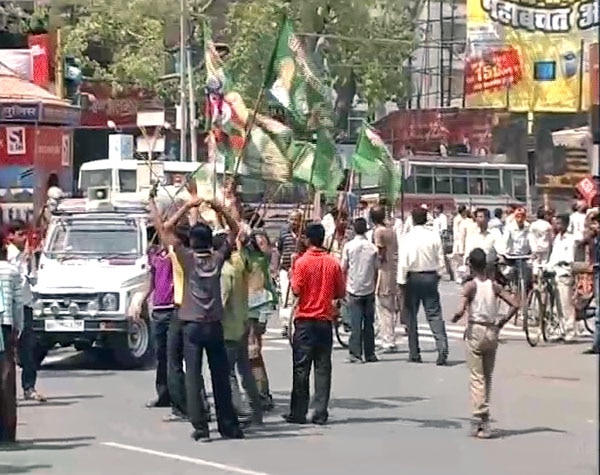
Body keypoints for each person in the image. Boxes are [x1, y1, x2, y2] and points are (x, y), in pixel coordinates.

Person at [153, 186, 243, 442]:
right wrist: (217, 207)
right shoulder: (217, 259)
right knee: (220, 376)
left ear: (192, 241)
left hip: (190, 324)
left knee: (193, 376)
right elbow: (235, 230)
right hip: (214, 324)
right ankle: (228, 426)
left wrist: (187, 206)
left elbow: (166, 229)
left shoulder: (186, 258)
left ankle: (201, 429)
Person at [451, 248, 519, 439]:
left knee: (476, 377)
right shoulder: (494, 286)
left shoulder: (470, 286)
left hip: (476, 330)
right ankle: (484, 416)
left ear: (471, 266)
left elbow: (461, 309)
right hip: (492, 331)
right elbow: (515, 304)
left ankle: (480, 419)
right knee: (486, 376)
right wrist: (501, 322)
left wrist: (456, 317)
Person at [285, 223, 345, 425]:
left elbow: (295, 290)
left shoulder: (302, 263)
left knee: (301, 368)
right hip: (324, 320)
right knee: (322, 367)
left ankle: (298, 412)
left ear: (308, 240)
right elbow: (339, 292)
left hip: (305, 320)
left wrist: (293, 271)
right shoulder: (333, 263)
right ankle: (320, 411)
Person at [139, 223, 188, 422]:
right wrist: (142, 300)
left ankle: (181, 401)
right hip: (157, 310)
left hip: (172, 309)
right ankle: (163, 395)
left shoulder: (175, 254)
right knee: (160, 356)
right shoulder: (155, 256)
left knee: (174, 358)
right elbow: (151, 281)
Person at [218, 232, 263, 426]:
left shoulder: (226, 271)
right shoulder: (240, 264)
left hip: (228, 328)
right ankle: (255, 410)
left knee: (227, 373)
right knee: (245, 370)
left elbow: (222, 299)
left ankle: (241, 410)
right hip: (243, 322)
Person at [397, 207, 449, 365]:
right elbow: (441, 257)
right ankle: (441, 346)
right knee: (434, 313)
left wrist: (401, 282)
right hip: (430, 275)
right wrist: (440, 273)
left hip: (413, 277)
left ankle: (414, 352)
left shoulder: (407, 237)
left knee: (411, 316)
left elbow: (403, 262)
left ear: (412, 219)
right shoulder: (434, 236)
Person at [6, 220, 45, 402]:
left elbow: (33, 280)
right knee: (6, 352)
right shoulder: (6, 255)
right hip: (7, 307)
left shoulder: (27, 256)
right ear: (11, 236)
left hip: (26, 306)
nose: (23, 239)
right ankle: (7, 393)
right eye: (20, 234)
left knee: (28, 350)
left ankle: (29, 387)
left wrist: (31, 262)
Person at [246, 229, 277, 410]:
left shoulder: (258, 262)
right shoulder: (250, 260)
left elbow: (265, 292)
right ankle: (260, 393)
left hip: (255, 311)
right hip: (249, 310)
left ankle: (261, 394)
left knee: (253, 354)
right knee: (252, 355)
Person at [341, 218, 379, 363]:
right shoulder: (372, 248)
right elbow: (376, 268)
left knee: (356, 323)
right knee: (368, 323)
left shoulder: (349, 247)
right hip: (368, 287)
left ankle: (356, 353)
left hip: (353, 287)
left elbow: (343, 267)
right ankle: (370, 353)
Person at [0, 232, 24, 444]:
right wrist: (19, 328)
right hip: (5, 327)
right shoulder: (11, 271)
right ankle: (7, 432)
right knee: (6, 380)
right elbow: (18, 305)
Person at [370, 206, 399, 353]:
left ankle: (388, 340)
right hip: (393, 270)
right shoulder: (391, 230)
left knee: (383, 308)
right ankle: (390, 337)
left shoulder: (378, 232)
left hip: (383, 271)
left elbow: (380, 253)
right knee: (390, 307)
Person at [546, 214, 577, 342]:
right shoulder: (557, 238)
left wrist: (564, 262)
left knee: (566, 305)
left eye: (560, 223)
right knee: (555, 305)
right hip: (554, 273)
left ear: (566, 224)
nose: (557, 226)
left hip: (564, 273)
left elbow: (570, 257)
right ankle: (560, 329)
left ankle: (570, 332)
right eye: (556, 223)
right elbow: (553, 256)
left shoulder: (570, 239)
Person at [277, 210, 302, 337]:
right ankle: (285, 324)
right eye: (292, 219)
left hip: (299, 270)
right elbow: (279, 250)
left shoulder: (304, 235)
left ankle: (296, 322)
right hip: (285, 269)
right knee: (285, 297)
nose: (294, 222)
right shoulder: (283, 233)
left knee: (297, 296)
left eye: (297, 219)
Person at [464, 208, 503, 278]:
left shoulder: (495, 232)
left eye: (481, 217)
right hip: (475, 263)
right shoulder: (472, 233)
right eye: (477, 217)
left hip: (489, 264)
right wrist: (466, 259)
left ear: (487, 218)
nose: (478, 219)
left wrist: (500, 256)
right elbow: (468, 248)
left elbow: (500, 248)